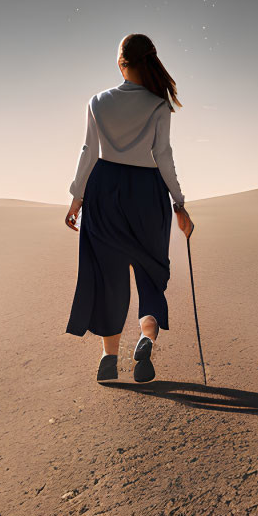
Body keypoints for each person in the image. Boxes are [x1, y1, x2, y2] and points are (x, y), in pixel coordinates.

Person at [64, 33, 194, 384]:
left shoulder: (97, 102)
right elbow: (163, 156)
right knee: (150, 271)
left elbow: (88, 152)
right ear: (148, 61)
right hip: (147, 194)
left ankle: (108, 360)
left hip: (104, 190)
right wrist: (179, 203)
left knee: (108, 274)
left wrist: (77, 198)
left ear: (121, 62)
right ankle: (145, 339)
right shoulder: (159, 105)